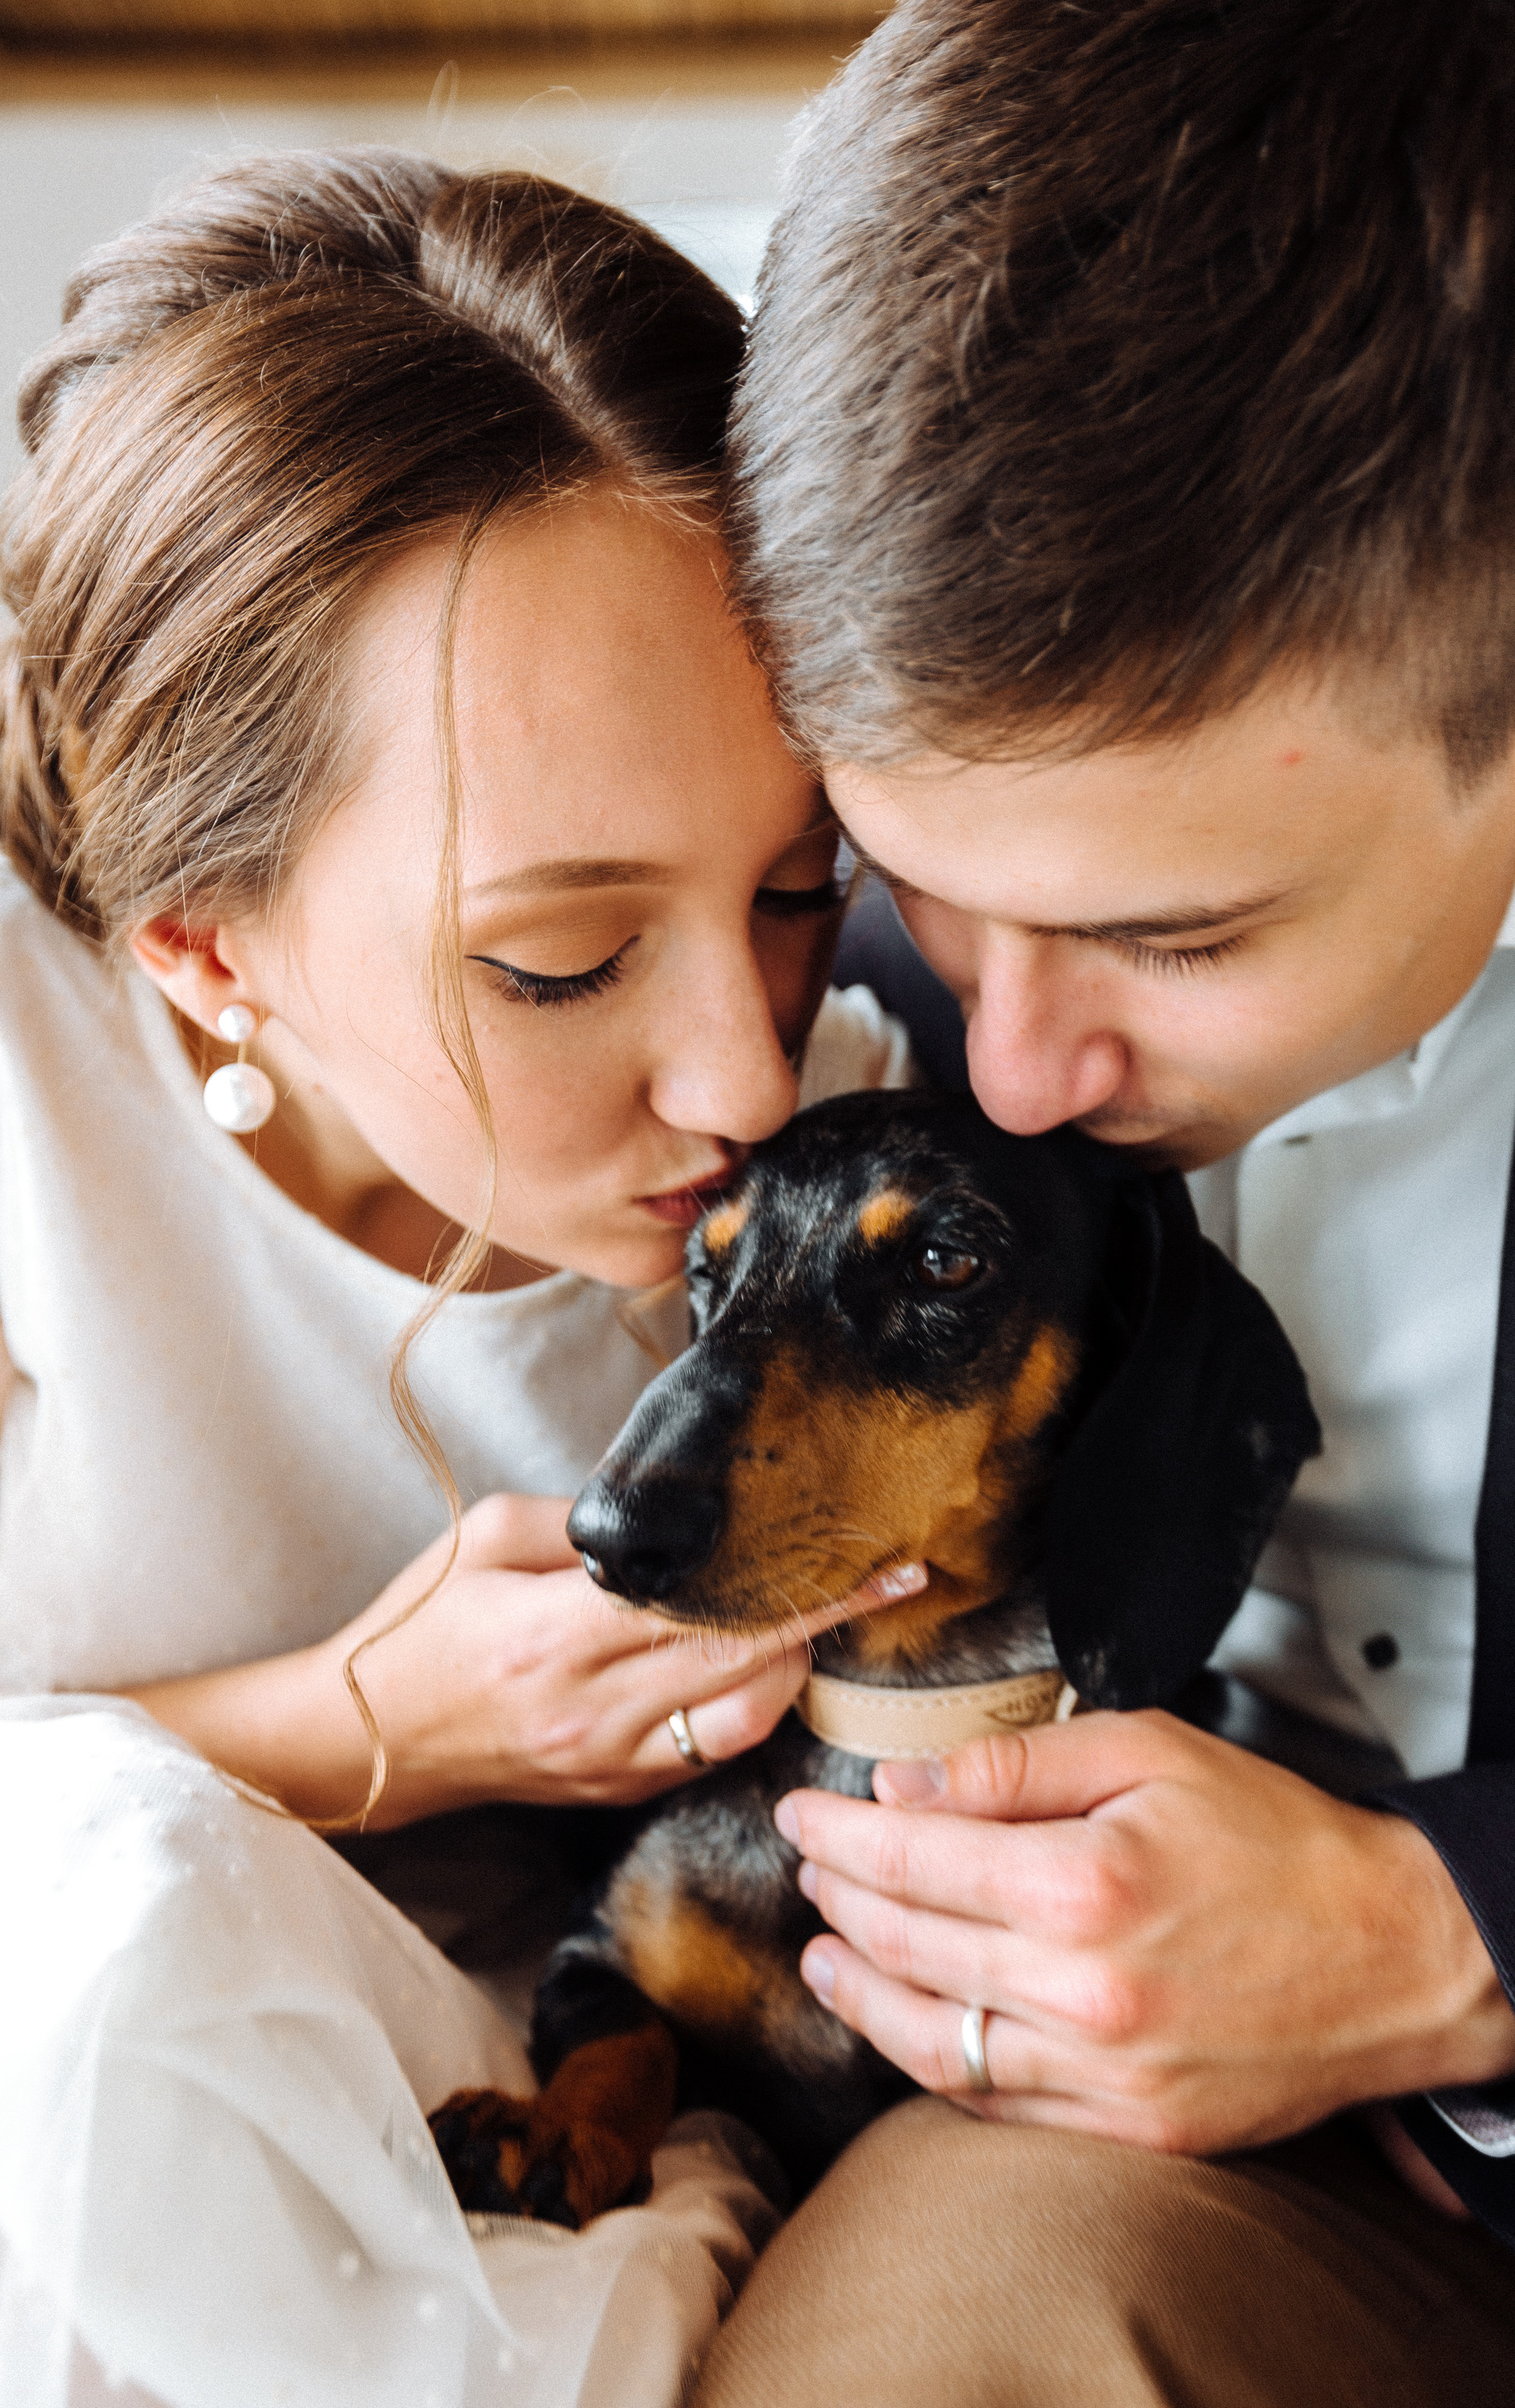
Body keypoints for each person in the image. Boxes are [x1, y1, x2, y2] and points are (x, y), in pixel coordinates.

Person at [696, 2, 1515, 2401]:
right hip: (1134, 2202)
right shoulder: (786, 938)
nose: (1006, 1063)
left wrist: (1465, 1945)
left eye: (1181, 938)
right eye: (916, 888)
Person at [0, 149, 918, 2408]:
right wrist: (382, 1729)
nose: (740, 1071)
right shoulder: (30, 1088)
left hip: (576, 2177)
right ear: (207, 953)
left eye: (801, 891)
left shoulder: (886, 1165)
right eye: (559, 959)